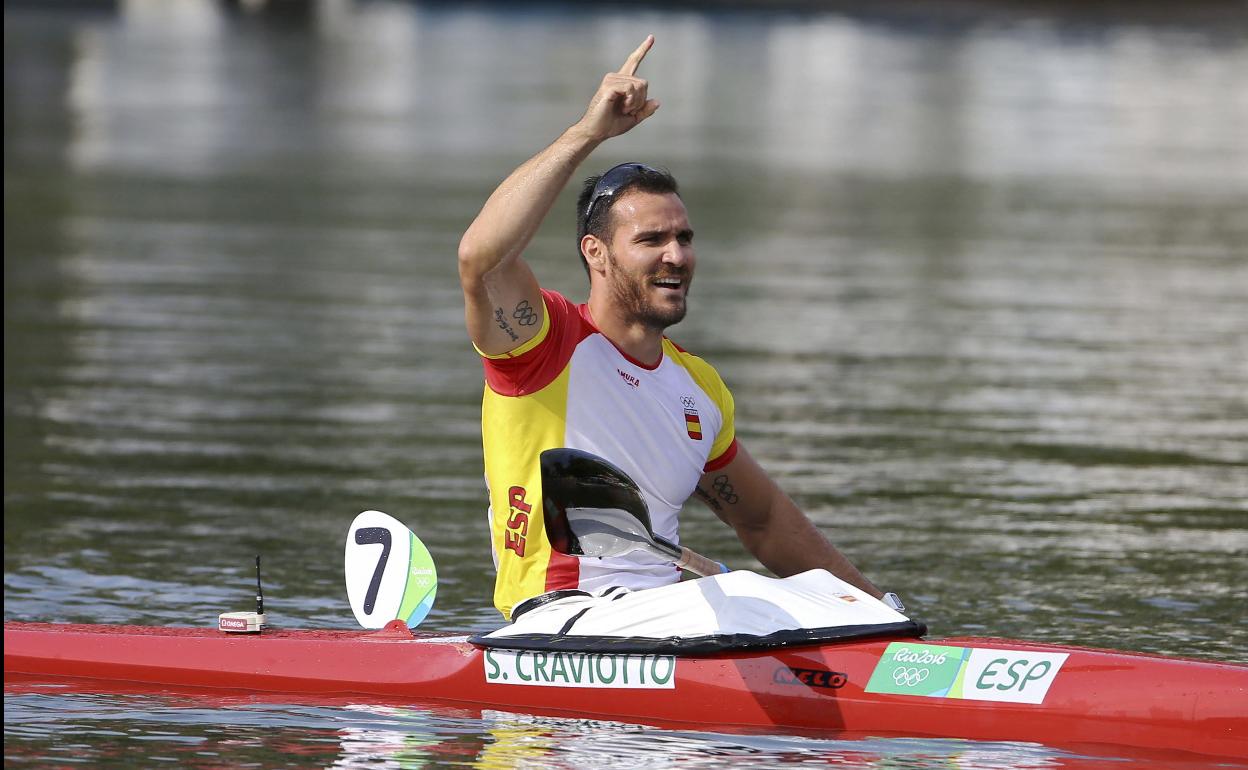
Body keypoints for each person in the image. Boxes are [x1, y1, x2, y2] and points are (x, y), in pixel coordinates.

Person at [459, 35, 889, 620]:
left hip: (666, 618)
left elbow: (762, 520)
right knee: (752, 601)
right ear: (597, 253)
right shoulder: (542, 344)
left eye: (684, 238)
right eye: (652, 239)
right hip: (561, 618)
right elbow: (482, 260)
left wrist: (881, 615)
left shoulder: (699, 388)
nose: (677, 255)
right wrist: (587, 133)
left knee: (797, 601)